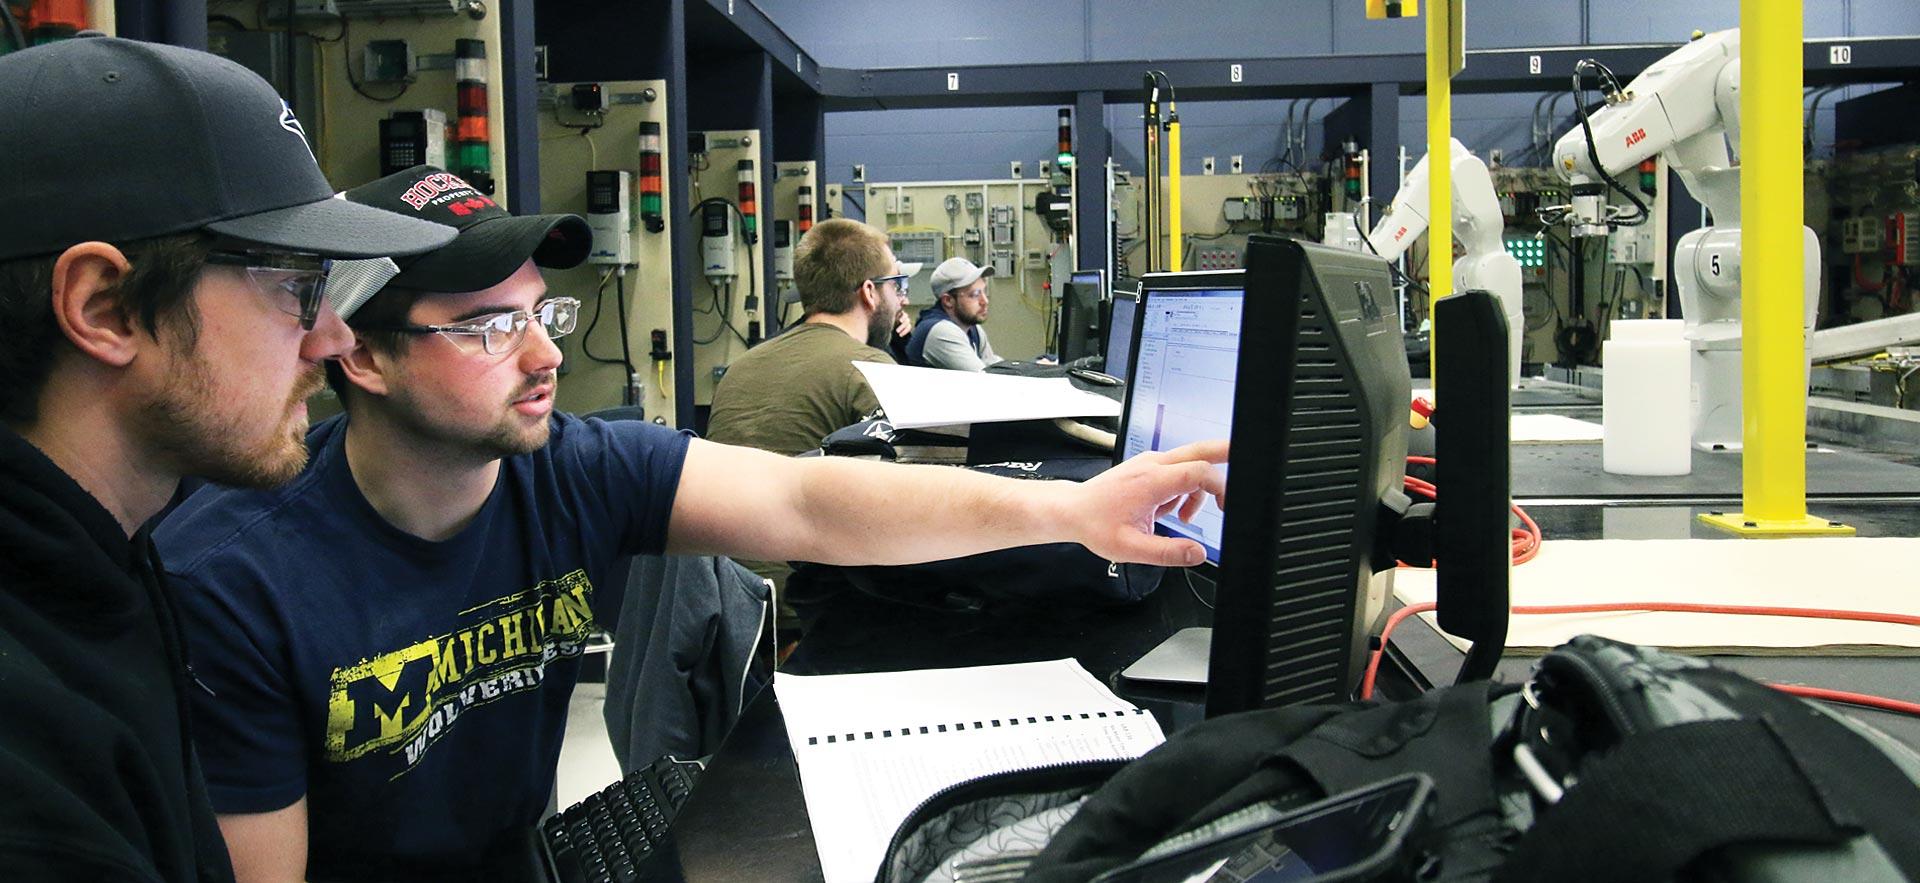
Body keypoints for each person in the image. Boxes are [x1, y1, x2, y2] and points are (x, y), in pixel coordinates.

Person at [156, 165, 1226, 882]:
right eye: (488, 327)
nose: (545, 358)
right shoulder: (238, 582)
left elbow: (808, 500)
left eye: (541, 314)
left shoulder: (566, 471)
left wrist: (1075, 508)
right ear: (361, 354)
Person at [0, 38, 454, 882]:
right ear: (106, 308)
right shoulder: (23, 749)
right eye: (296, 286)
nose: (336, 338)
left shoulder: (103, 567)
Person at [707, 217, 905, 456]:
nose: (901, 300)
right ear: (869, 292)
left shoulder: (739, 368)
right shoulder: (871, 369)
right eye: (896, 285)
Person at [906, 256, 1004, 371]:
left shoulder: (973, 328)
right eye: (975, 295)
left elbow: (996, 368)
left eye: (984, 291)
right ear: (948, 301)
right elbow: (987, 381)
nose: (985, 301)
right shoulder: (940, 332)